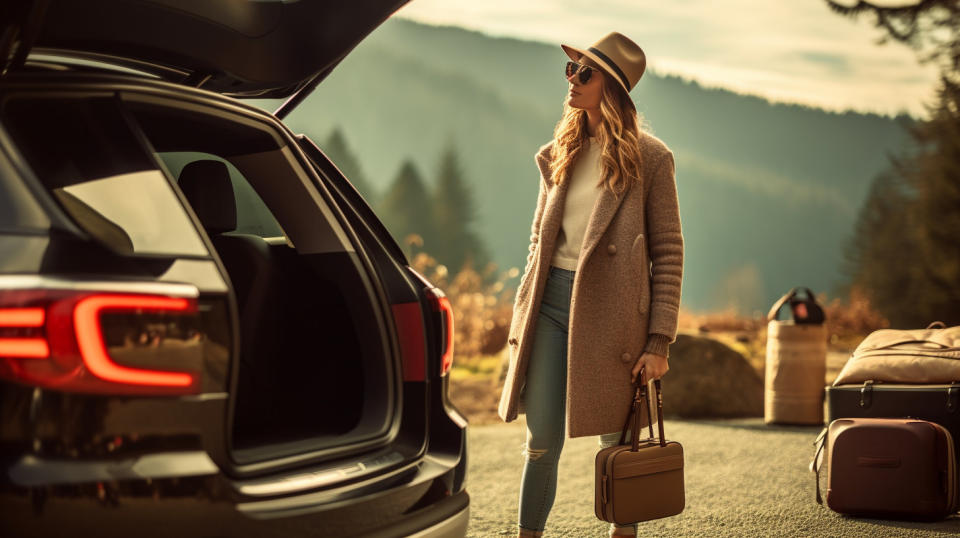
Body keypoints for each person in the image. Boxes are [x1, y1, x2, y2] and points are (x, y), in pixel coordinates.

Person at [500, 31, 684, 538]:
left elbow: (668, 253)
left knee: (617, 443)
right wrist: (522, 315)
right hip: (551, 307)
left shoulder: (651, 160)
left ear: (615, 89)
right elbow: (538, 244)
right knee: (541, 441)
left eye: (586, 73)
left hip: (616, 315)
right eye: (571, 71)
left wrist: (659, 341)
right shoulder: (558, 152)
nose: (572, 81)